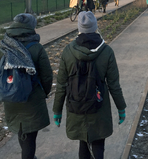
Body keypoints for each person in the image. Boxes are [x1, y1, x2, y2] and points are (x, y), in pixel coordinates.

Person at [53, 11, 126, 159]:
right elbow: (113, 84)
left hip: (76, 104)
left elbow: (61, 84)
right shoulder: (106, 51)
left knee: (83, 143)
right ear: (95, 28)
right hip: (99, 106)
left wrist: (57, 110)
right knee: (98, 143)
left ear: (79, 28)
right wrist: (121, 108)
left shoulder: (68, 51)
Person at [0, 13, 53, 159]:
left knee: (22, 131)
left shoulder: (3, 47)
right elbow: (47, 76)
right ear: (31, 27)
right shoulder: (36, 48)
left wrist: (10, 88)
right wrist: (44, 92)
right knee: (30, 136)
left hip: (11, 98)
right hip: (31, 98)